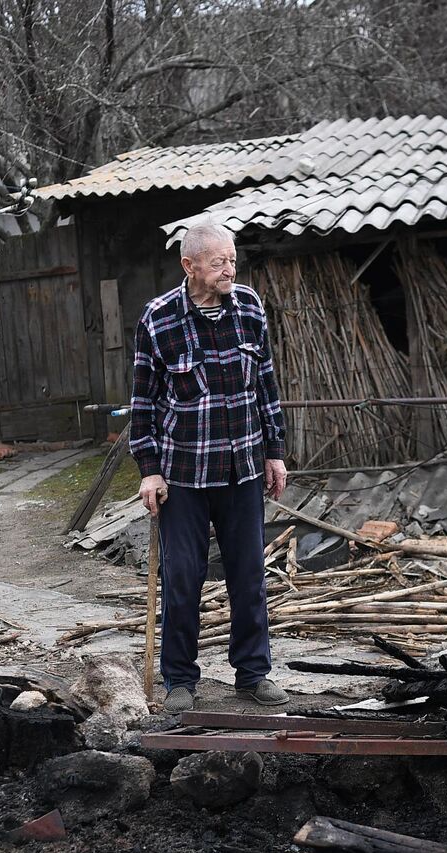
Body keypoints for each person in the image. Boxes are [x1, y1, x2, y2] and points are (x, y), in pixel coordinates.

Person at [128, 218, 290, 715]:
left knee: (249, 576)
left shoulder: (249, 309)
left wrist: (274, 450)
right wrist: (148, 469)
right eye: (219, 262)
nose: (229, 270)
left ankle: (253, 673)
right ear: (189, 265)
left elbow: (265, 383)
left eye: (233, 260)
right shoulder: (158, 319)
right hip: (184, 476)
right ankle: (180, 679)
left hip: (241, 467)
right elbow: (143, 403)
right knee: (183, 578)